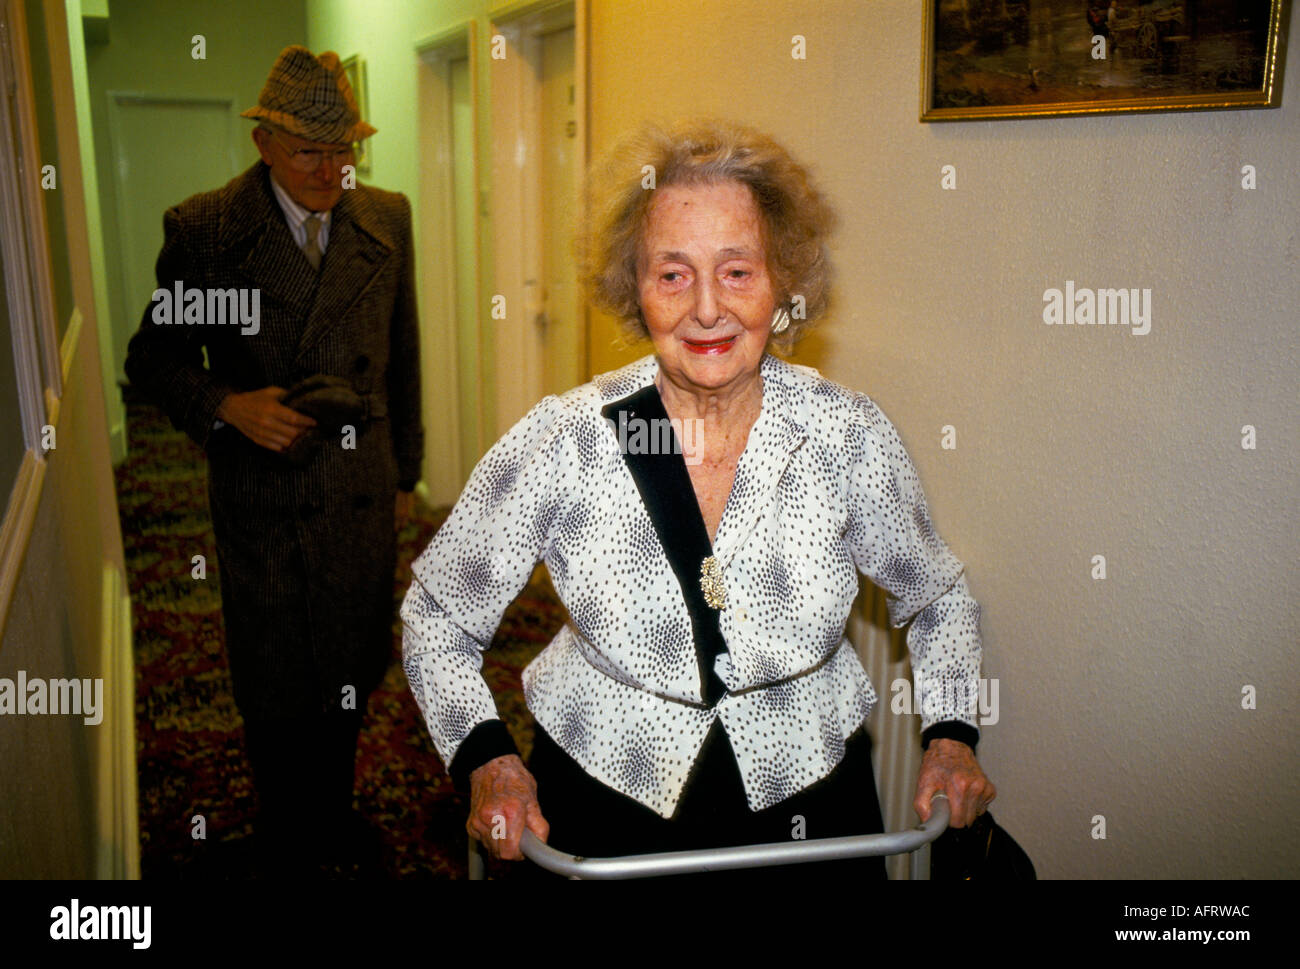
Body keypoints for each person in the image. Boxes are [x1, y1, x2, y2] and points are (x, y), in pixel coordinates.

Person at [401, 118, 993, 879]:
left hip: (812, 813)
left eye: (738, 271)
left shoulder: (846, 434)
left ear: (782, 281)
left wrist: (950, 737)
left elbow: (936, 596)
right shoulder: (565, 439)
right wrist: (487, 758)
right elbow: (438, 615)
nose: (707, 308)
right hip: (605, 809)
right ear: (634, 287)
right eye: (673, 273)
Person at [125, 46, 423, 872]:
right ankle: (291, 835)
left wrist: (405, 475)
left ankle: (332, 817)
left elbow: (402, 356)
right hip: (267, 496)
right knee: (277, 686)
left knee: (352, 673)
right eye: (309, 151)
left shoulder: (386, 217)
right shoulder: (212, 231)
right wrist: (226, 405)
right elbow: (152, 360)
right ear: (263, 142)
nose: (331, 169)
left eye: (344, 150)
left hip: (360, 488)